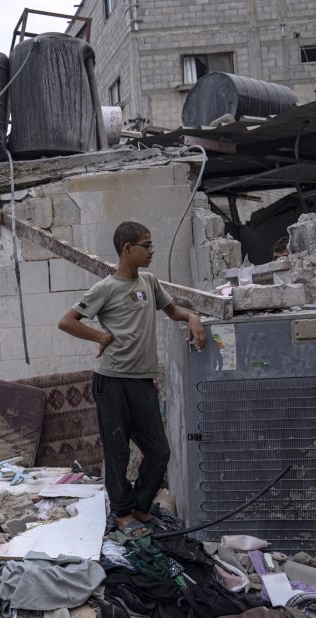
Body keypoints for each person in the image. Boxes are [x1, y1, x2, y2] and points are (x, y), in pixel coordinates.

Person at [57, 221, 206, 539]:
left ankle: (140, 506)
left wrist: (193, 317)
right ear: (127, 249)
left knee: (159, 451)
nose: (152, 251)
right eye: (146, 245)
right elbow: (67, 322)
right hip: (111, 382)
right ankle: (123, 512)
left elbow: (172, 311)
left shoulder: (149, 282)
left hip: (142, 381)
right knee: (118, 452)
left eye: (151, 245)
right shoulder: (105, 288)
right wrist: (101, 336)